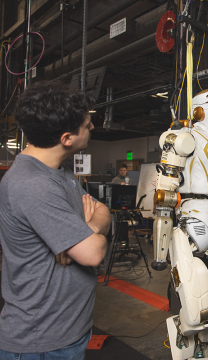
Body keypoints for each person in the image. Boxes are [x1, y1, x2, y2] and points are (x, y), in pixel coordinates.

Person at [0, 81, 111, 359]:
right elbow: (93, 252)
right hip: (42, 342)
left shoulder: (57, 173)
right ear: (66, 138)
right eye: (87, 125)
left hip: (67, 332)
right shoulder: (34, 184)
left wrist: (87, 228)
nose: (92, 128)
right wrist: (85, 239)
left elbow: (103, 210)